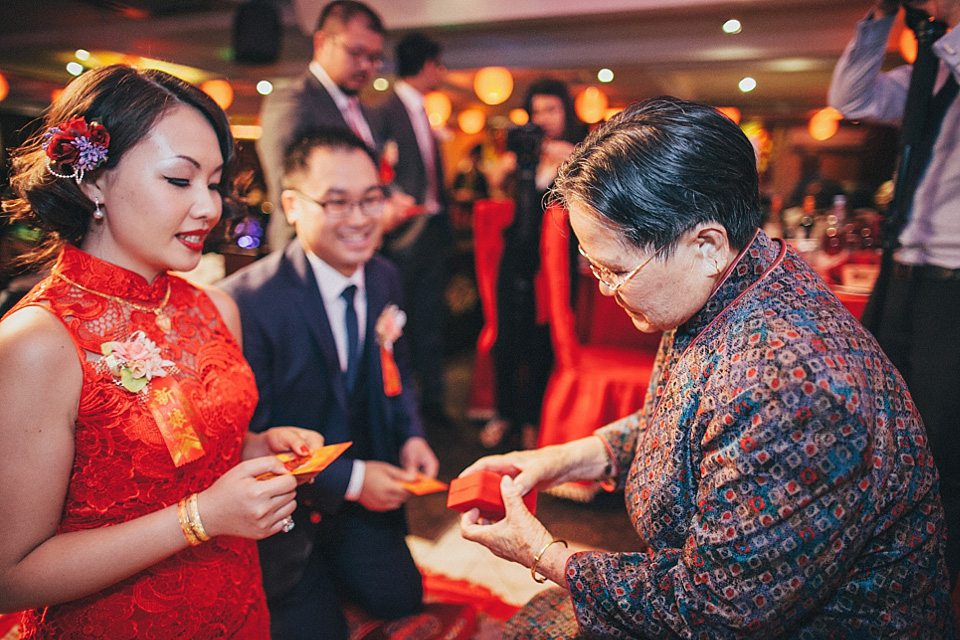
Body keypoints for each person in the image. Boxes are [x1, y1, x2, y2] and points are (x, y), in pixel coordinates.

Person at [459, 97, 956, 638]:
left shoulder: (792, 383)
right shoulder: (733, 282)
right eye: (595, 267)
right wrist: (557, 460)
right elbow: (685, 421)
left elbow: (712, 614)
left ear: (706, 245)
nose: (604, 288)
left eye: (617, 270)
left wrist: (541, 553)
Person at [0, 64, 324, 638]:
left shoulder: (212, 308)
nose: (209, 207)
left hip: (238, 602)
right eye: (180, 180)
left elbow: (190, 453)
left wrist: (257, 447)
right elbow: (10, 576)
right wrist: (201, 518)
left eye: (216, 182)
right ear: (92, 181)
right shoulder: (38, 343)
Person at [219, 127, 439, 640]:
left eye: (371, 200)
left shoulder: (384, 276)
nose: (360, 219)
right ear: (292, 206)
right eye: (338, 203)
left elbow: (397, 370)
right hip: (284, 511)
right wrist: (357, 481)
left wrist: (411, 433)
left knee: (401, 596)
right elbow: (248, 436)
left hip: (358, 498)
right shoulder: (247, 302)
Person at [829, 0, 960, 591]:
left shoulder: (947, 53)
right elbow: (850, 99)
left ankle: (929, 578)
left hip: (954, 284)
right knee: (880, 420)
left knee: (941, 437)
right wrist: (883, 17)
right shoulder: (932, 72)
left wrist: (947, 24)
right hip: (900, 269)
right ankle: (872, 556)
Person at [482, 77, 587, 449]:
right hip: (515, 257)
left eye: (551, 109)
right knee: (506, 338)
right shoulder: (524, 151)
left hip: (556, 265)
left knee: (544, 344)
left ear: (566, 111)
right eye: (536, 110)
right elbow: (492, 183)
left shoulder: (580, 152)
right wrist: (511, 163)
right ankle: (504, 412)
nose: (542, 118)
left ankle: (532, 420)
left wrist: (569, 157)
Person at [369, 32, 455, 429]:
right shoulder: (384, 111)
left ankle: (433, 403)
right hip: (403, 235)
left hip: (432, 230)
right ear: (425, 65)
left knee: (431, 320)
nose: (441, 71)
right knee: (399, 322)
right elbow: (375, 168)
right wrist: (391, 197)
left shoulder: (424, 111)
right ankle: (399, 407)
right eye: (438, 63)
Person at [257, 0, 384, 252]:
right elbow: (287, 190)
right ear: (322, 43)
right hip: (306, 255)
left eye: (374, 58)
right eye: (355, 53)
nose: (366, 66)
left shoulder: (363, 109)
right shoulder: (292, 102)